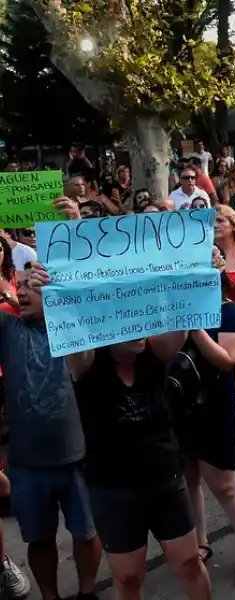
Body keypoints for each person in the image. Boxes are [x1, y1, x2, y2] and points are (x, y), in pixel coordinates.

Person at [53, 321, 212, 600]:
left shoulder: (155, 354)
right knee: (128, 578)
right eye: (128, 322)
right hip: (113, 491)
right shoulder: (88, 363)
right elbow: (73, 336)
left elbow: (180, 320)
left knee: (189, 563)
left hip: (165, 481)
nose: (138, 331)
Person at [0, 201, 100, 600]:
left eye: (33, 286)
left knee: (86, 532)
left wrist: (76, 230)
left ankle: (89, 591)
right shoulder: (7, 329)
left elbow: (87, 289)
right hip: (27, 462)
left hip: (77, 457)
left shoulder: (74, 329)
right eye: (19, 286)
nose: (23, 292)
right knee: (38, 539)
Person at [171, 259, 235, 588]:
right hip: (180, 407)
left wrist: (195, 326)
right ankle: (200, 541)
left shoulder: (230, 312)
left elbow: (226, 360)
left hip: (214, 408)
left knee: (224, 485)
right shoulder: (173, 311)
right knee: (189, 479)